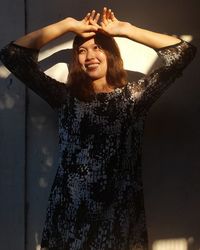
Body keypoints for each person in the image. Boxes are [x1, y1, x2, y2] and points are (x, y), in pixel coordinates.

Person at [0, 7, 196, 250]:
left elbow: (183, 52)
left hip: (119, 219)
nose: (89, 55)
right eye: (81, 50)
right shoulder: (64, 97)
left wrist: (127, 30)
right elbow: (12, 56)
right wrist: (67, 25)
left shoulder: (134, 98)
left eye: (98, 47)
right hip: (69, 219)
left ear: (110, 54)